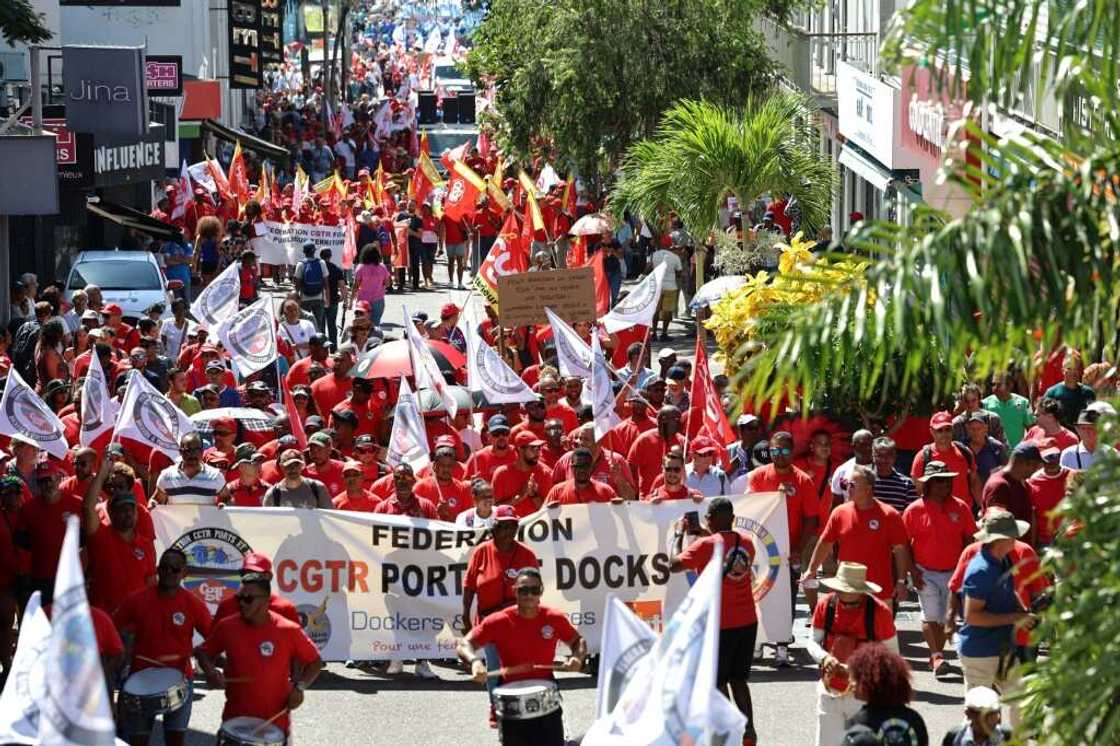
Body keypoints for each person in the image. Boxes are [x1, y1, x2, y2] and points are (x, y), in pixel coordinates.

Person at [458, 567, 586, 746]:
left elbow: (577, 641)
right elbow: (465, 644)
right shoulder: (498, 621)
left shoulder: (553, 618)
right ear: (514, 591)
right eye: (524, 590)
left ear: (541, 591)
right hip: (511, 704)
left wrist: (577, 658)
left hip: (547, 698)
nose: (529, 595)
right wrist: (475, 662)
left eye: (534, 590)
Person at [669, 497, 760, 746]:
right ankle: (748, 730)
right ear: (732, 518)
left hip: (720, 624)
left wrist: (679, 535)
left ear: (710, 518)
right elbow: (723, 542)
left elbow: (673, 564)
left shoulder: (707, 545)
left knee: (717, 681)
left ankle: (728, 728)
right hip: (747, 621)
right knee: (739, 679)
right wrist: (705, 533)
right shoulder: (747, 542)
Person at [194, 573, 323, 738]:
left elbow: (315, 662)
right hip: (235, 721)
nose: (241, 603)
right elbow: (203, 652)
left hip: (274, 724)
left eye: (248, 599)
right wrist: (210, 672)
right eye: (239, 598)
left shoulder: (287, 630)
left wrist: (300, 687)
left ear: (265, 600)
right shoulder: (227, 626)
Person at [115, 547, 212, 746]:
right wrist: (119, 656)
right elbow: (111, 628)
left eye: (175, 569)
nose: (169, 572)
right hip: (139, 679)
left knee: (175, 742)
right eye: (165, 568)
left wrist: (205, 658)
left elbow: (215, 639)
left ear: (184, 573)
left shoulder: (193, 604)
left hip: (180, 678)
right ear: (158, 570)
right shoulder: (136, 599)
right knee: (138, 741)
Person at [956, 509, 1036, 726]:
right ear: (1003, 540)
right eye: (1013, 535)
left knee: (1021, 700)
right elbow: (972, 617)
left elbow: (1009, 592)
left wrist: (1023, 612)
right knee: (979, 714)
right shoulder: (980, 570)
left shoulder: (1003, 559)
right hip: (980, 652)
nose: (1017, 538)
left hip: (1002, 648)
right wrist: (1015, 618)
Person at [805, 562, 899, 746]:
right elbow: (812, 641)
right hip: (830, 691)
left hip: (864, 695)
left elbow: (893, 656)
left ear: (861, 592)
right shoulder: (826, 605)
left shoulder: (880, 612)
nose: (841, 596)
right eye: (840, 590)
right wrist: (825, 658)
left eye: (848, 592)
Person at [462, 504, 540, 713]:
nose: (508, 531)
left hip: (520, 623)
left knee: (520, 670)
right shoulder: (481, 552)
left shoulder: (526, 554)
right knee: (495, 669)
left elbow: (535, 589)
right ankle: (498, 712)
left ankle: (524, 712)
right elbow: (469, 586)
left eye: (512, 526)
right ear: (493, 527)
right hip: (490, 623)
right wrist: (465, 617)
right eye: (503, 526)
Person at [903, 461, 978, 676]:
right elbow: (903, 545)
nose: (944, 486)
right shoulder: (914, 510)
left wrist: (966, 570)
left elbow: (969, 541)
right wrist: (912, 572)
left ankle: (938, 655)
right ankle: (937, 656)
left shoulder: (961, 507)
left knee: (946, 617)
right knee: (930, 614)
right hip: (924, 570)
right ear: (928, 484)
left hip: (954, 571)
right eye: (938, 482)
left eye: (947, 482)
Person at [804, 465, 915, 608]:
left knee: (879, 630)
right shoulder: (839, 513)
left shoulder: (890, 515)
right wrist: (811, 570)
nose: (847, 488)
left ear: (868, 489)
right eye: (845, 484)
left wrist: (901, 582)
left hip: (879, 593)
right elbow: (825, 543)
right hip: (846, 592)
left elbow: (901, 550)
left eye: (852, 485)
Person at [82, 458, 156, 614]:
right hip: (105, 616)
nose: (128, 514)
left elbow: (151, 581)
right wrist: (101, 474)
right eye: (122, 510)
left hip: (136, 618)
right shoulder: (100, 536)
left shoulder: (145, 544)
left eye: (131, 510)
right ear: (112, 512)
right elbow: (87, 507)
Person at [845, 644, 929, 746]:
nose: (851, 683)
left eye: (857, 678)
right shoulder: (915, 720)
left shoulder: (859, 722)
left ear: (870, 683)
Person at [912, 412, 981, 507]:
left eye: (947, 429)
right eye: (940, 430)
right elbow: (918, 491)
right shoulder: (923, 457)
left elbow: (974, 483)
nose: (944, 434)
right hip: (936, 514)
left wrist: (983, 508)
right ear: (932, 431)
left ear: (952, 430)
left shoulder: (965, 452)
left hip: (964, 512)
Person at [153, 433, 229, 505]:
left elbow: (227, 499)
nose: (192, 454)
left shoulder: (215, 475)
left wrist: (223, 505)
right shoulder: (166, 476)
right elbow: (157, 501)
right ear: (181, 452)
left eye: (196, 450)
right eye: (188, 451)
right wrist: (153, 504)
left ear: (202, 452)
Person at [627, 405, 686, 495]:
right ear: (662, 420)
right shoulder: (644, 440)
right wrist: (635, 491)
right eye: (675, 419)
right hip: (648, 499)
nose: (679, 423)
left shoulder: (683, 442)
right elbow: (631, 468)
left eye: (679, 419)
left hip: (677, 499)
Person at [941, 687, 1014, 746]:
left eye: (993, 715)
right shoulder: (954, 737)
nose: (990, 721)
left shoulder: (1008, 736)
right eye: (985, 716)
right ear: (968, 714)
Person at [1026, 446, 1068, 548]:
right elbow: (1032, 517)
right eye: (1047, 459)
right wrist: (1032, 545)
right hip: (1045, 542)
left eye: (1055, 457)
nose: (1051, 462)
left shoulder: (1072, 476)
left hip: (1070, 539)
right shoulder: (1032, 482)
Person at [263, 450, 333, 508]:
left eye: (296, 465)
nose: (292, 469)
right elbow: (268, 522)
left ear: (303, 466)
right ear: (281, 467)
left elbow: (329, 517)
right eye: (288, 465)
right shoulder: (273, 494)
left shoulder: (317, 489)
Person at [545, 448, 618, 504]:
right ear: (572, 467)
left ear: (591, 467)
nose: (582, 470)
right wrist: (551, 510)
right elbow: (542, 515)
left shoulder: (606, 491)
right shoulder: (557, 492)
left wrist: (619, 507)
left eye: (585, 466)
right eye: (578, 466)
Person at [1042, 354, 1095, 428]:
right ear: (1063, 370)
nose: (1073, 372)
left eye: (1076, 369)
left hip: (1082, 434)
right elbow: (1043, 416)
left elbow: (1093, 418)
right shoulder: (1052, 393)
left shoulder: (1088, 393)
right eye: (1069, 369)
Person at [983, 372, 1034, 447]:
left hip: (1016, 454)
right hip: (994, 453)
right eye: (993, 384)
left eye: (999, 385)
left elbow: (1031, 429)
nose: (995, 388)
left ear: (1010, 385)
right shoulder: (985, 404)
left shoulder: (1023, 403)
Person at [869, 436, 917, 512]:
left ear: (895, 457)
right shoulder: (865, 482)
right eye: (879, 456)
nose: (884, 460)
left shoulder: (907, 484)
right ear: (872, 456)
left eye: (888, 455)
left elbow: (910, 514)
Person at [649, 238, 683, 340]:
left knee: (656, 311)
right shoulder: (675, 257)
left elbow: (651, 267)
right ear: (670, 245)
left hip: (657, 286)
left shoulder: (654, 255)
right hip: (670, 287)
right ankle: (664, 333)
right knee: (667, 312)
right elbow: (679, 272)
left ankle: (654, 333)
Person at [351, 244, 391, 330]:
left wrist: (351, 301)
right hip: (378, 300)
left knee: (361, 326)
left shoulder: (360, 267)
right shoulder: (382, 267)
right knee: (375, 326)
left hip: (363, 301)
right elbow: (387, 284)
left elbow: (355, 286)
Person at [294, 241, 331, 332]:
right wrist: (328, 299)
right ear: (314, 251)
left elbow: (297, 285)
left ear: (304, 252)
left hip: (304, 299)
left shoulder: (300, 264)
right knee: (318, 324)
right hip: (319, 298)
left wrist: (296, 300)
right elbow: (326, 284)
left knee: (303, 324)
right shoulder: (321, 263)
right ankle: (318, 343)